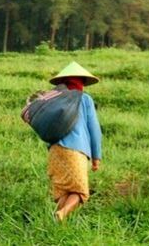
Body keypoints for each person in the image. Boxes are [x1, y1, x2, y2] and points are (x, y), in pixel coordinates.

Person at [47, 61, 103, 223]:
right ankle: (62, 213)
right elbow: (94, 129)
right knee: (80, 192)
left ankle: (56, 226)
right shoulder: (85, 99)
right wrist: (96, 157)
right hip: (76, 150)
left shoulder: (54, 99)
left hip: (54, 150)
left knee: (64, 191)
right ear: (81, 82)